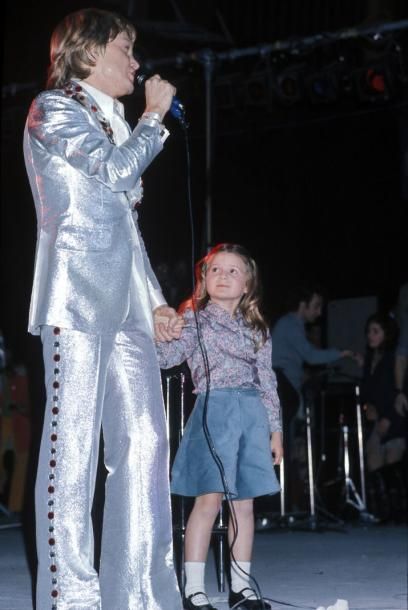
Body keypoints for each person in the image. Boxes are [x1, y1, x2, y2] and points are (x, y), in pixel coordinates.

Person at [23, 8, 183, 610]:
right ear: (88, 52)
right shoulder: (53, 107)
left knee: (144, 443)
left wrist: (158, 300)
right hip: (77, 298)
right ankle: (73, 598)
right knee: (74, 450)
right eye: (125, 48)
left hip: (128, 308)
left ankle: (139, 593)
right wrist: (154, 116)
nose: (136, 63)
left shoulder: (114, 120)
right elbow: (117, 174)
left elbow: (125, 225)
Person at [156, 243, 283, 610]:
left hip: (251, 416)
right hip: (214, 412)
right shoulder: (194, 320)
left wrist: (275, 429)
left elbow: (267, 381)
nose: (223, 276)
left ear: (247, 285)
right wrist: (163, 329)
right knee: (207, 501)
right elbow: (167, 358)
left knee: (243, 506)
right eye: (215, 270)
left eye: (233, 271)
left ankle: (241, 589)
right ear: (204, 278)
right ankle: (194, 590)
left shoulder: (257, 327)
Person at [271, 283, 357, 511]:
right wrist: (342, 353)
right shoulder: (291, 324)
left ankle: (290, 501)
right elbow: (310, 355)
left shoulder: (292, 325)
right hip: (282, 387)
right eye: (316, 306)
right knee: (287, 444)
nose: (319, 312)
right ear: (303, 305)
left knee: (293, 444)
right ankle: (282, 503)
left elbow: (298, 361)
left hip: (287, 386)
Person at [359, 313, 406, 522]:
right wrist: (368, 407)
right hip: (377, 420)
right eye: (369, 331)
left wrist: (389, 417)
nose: (370, 335)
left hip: (395, 419)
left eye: (375, 331)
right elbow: (368, 390)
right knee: (374, 463)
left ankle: (398, 515)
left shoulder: (394, 357)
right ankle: (382, 515)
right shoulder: (370, 358)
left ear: (387, 334)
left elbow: (399, 391)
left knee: (392, 467)